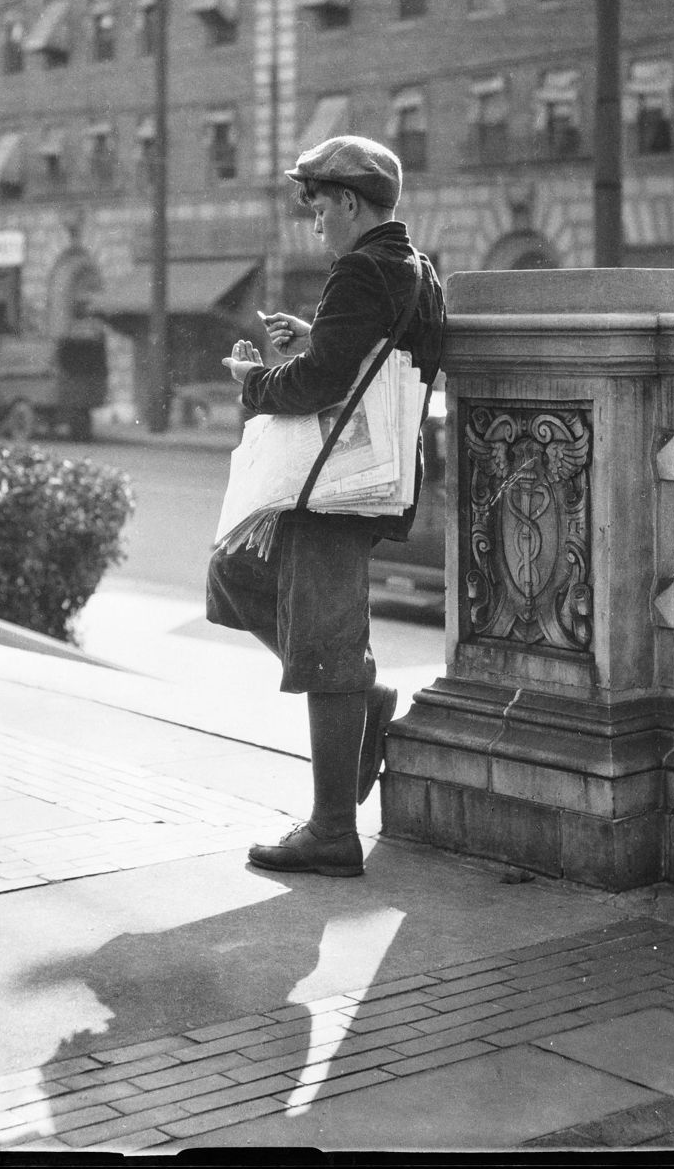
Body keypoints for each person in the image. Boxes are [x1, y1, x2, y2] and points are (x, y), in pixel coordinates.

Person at [207, 134, 445, 877]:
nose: (314, 222)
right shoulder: (416, 271)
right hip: (372, 480)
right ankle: (361, 693)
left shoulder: (359, 272)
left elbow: (315, 387)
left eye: (318, 207)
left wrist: (253, 383)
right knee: (234, 575)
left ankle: (332, 830)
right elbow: (374, 361)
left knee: (325, 645)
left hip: (333, 490)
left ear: (347, 202)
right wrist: (317, 338)